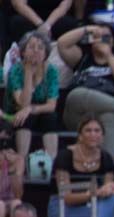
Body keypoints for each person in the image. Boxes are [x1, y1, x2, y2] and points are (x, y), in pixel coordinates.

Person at [57, 24, 114, 161]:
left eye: (106, 37)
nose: (102, 40)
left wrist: (108, 55)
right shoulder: (82, 58)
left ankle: (106, 168)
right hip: (79, 115)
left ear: (113, 41)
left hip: (110, 118)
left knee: (110, 116)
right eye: (98, 37)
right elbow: (62, 44)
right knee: (76, 94)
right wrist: (88, 29)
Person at [48, 114, 114, 217]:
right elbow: (67, 198)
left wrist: (108, 189)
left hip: (93, 206)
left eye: (97, 131)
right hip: (63, 208)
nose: (93, 134)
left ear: (102, 136)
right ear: (80, 136)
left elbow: (109, 189)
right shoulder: (65, 156)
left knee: (113, 204)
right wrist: (93, 194)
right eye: (88, 130)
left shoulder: (106, 157)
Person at [5, 32, 60, 163]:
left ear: (46, 53)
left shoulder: (51, 70)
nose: (36, 51)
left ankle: (50, 163)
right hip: (16, 112)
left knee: (51, 117)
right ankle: (21, 161)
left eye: (40, 48)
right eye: (31, 47)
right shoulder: (16, 71)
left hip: (39, 110)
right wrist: (29, 72)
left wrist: (30, 109)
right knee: (24, 117)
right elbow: (22, 104)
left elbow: (51, 105)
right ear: (23, 52)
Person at [6, 0, 83, 42]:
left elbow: (64, 6)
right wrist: (39, 24)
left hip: (54, 18)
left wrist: (47, 25)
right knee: (17, 22)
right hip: (30, 17)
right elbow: (18, 4)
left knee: (69, 24)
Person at [0, 121, 26, 217]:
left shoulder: (17, 159)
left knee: (17, 203)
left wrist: (11, 169)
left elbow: (18, 194)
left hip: (10, 199)